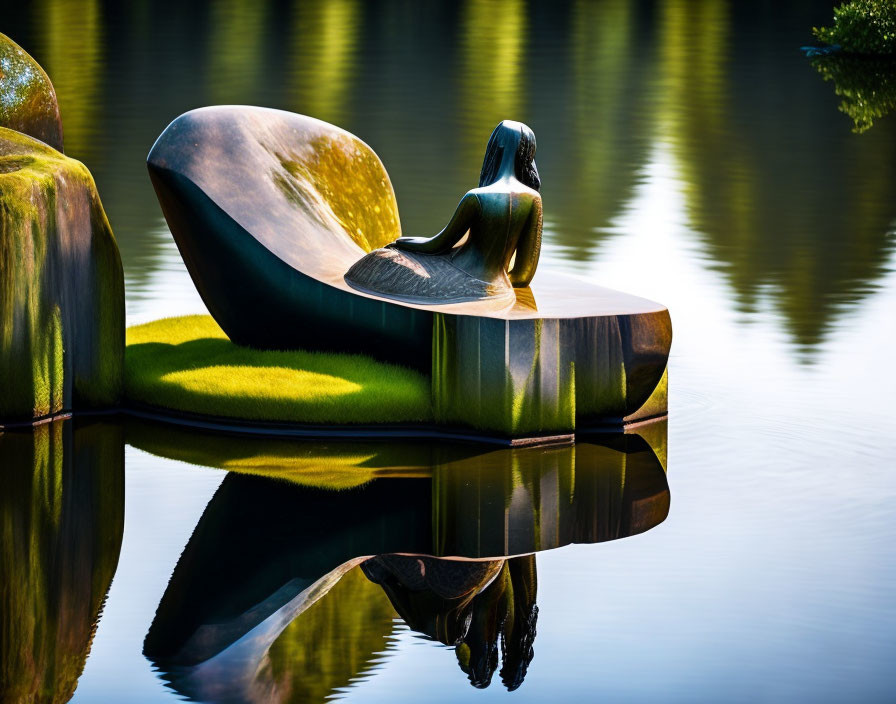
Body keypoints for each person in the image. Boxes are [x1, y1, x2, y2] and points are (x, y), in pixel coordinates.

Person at [344, 120, 543, 305]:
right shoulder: (533, 199)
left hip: (461, 278)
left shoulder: (476, 197)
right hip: (499, 286)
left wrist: (403, 242)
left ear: (496, 147)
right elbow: (524, 275)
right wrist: (497, 282)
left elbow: (437, 245)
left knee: (383, 257)